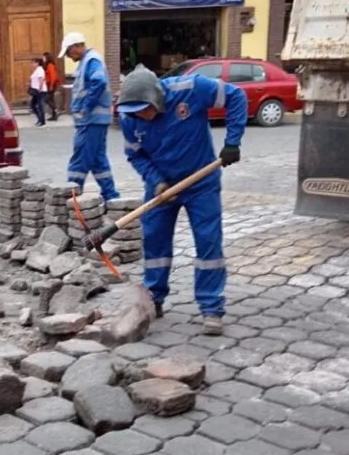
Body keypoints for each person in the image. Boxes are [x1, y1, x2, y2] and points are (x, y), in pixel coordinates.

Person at [116, 64, 247, 335]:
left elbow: (236, 97)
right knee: (155, 242)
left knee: (208, 242)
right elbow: (135, 156)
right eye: (135, 112)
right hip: (162, 187)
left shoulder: (192, 89)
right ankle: (154, 298)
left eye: (145, 109)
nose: (141, 116)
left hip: (201, 182)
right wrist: (157, 181)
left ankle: (211, 307)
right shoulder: (130, 118)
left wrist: (232, 141)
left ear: (156, 98)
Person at [58, 32, 120, 201]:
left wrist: (86, 106)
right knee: (97, 160)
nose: (69, 57)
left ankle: (72, 197)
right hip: (95, 120)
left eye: (69, 52)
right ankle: (111, 196)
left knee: (80, 157)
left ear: (77, 47)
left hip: (90, 120)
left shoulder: (91, 60)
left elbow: (98, 82)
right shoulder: (88, 61)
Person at [28, 57, 47, 127]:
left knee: (40, 106)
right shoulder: (36, 70)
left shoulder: (40, 70)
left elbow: (41, 79)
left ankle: (42, 121)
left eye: (33, 62)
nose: (32, 64)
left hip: (40, 91)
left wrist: (40, 88)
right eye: (32, 63)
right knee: (33, 105)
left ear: (37, 63)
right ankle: (40, 119)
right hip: (36, 90)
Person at [43, 52, 60, 121]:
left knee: (46, 99)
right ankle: (54, 115)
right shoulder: (47, 65)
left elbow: (53, 76)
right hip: (49, 84)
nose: (43, 58)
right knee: (51, 99)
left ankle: (56, 109)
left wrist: (51, 86)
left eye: (44, 57)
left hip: (51, 84)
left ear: (47, 58)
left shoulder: (50, 65)